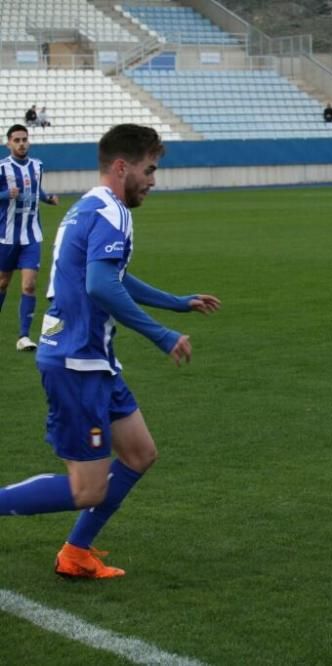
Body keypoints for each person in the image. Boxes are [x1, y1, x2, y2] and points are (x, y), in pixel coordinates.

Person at [0, 124, 221, 579]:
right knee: (87, 490)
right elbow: (100, 284)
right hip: (76, 361)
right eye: (150, 169)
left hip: (92, 359)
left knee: (140, 454)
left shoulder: (87, 207)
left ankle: (76, 553)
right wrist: (162, 334)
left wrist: (177, 301)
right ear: (123, 167)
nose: (153, 181)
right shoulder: (113, 212)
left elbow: (111, 276)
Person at [1, 124, 60, 351]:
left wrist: (48, 198)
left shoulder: (37, 166)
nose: (21, 143)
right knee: (3, 283)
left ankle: (24, 336)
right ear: (8, 143)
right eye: (16, 140)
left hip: (31, 236)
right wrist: (6, 194)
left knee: (29, 285)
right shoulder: (2, 168)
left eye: (24, 139)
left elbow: (36, 191)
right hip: (5, 237)